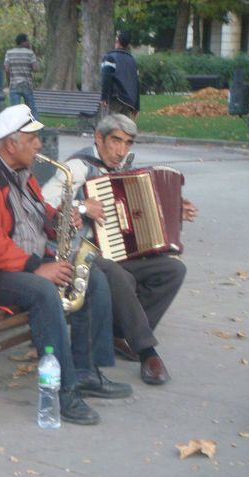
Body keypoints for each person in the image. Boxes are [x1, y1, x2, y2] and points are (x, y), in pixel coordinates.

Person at [0, 105, 132, 426]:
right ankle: (63, 392)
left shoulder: (19, 170)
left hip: (15, 262)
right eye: (33, 139)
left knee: (92, 276)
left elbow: (39, 211)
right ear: (10, 143)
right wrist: (35, 267)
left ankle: (86, 371)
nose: (39, 145)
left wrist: (61, 219)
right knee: (44, 292)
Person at [42, 114, 198, 385]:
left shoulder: (121, 168)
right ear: (99, 138)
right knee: (117, 275)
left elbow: (139, 215)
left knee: (173, 269)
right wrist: (81, 207)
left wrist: (172, 211)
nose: (121, 150)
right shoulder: (79, 167)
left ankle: (120, 334)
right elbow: (42, 204)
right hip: (77, 254)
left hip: (111, 253)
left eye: (127, 143)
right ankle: (146, 350)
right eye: (116, 141)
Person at [100, 31, 140, 119]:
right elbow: (137, 83)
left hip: (115, 98)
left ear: (117, 42)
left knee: (111, 126)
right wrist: (137, 106)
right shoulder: (132, 61)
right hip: (129, 102)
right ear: (128, 44)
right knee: (124, 128)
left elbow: (106, 77)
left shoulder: (110, 57)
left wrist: (104, 97)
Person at [4, 33, 39, 120]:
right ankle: (36, 129)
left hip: (14, 84)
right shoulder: (30, 53)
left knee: (15, 110)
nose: (29, 43)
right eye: (27, 41)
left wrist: (9, 82)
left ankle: (16, 130)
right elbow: (36, 69)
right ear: (23, 42)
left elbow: (7, 69)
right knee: (31, 109)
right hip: (27, 84)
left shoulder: (9, 53)